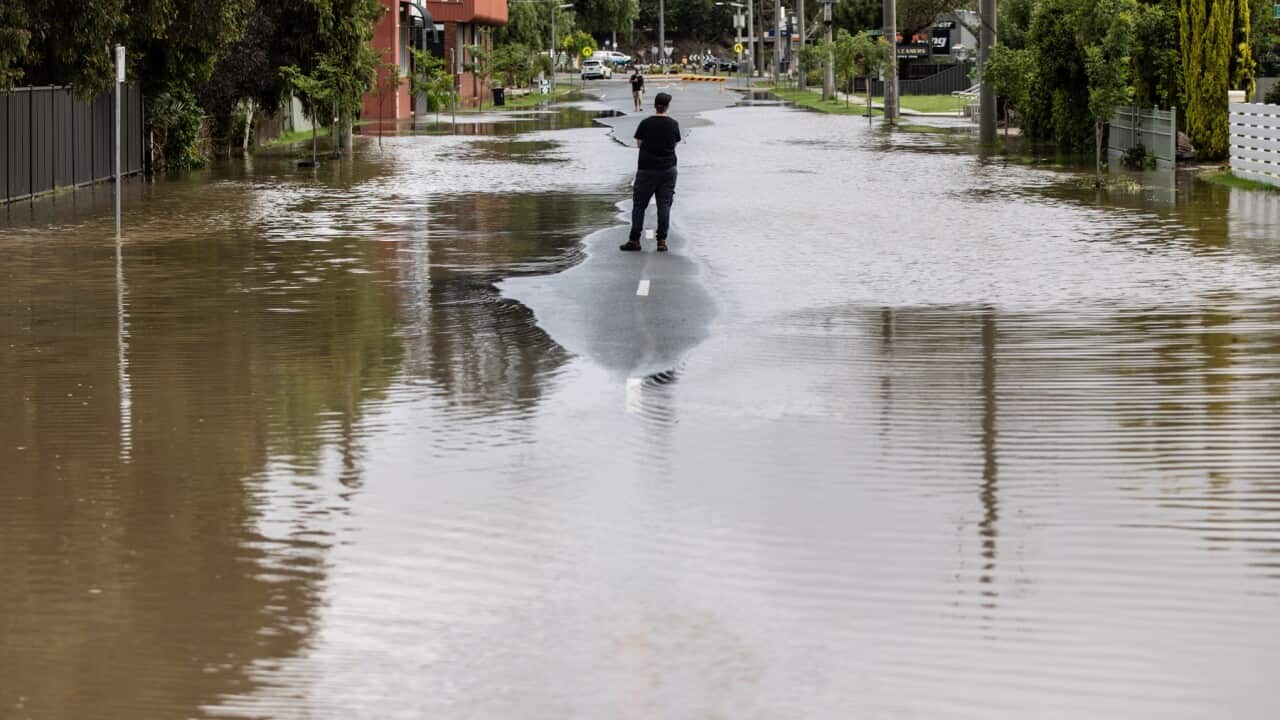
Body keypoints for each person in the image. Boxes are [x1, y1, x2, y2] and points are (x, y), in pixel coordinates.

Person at [620, 92, 680, 253]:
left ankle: (634, 240)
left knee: (639, 205)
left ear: (655, 105)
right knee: (664, 205)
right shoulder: (673, 124)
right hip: (668, 170)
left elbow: (639, 143)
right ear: (667, 106)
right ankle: (661, 240)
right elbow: (675, 143)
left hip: (647, 169)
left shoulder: (645, 123)